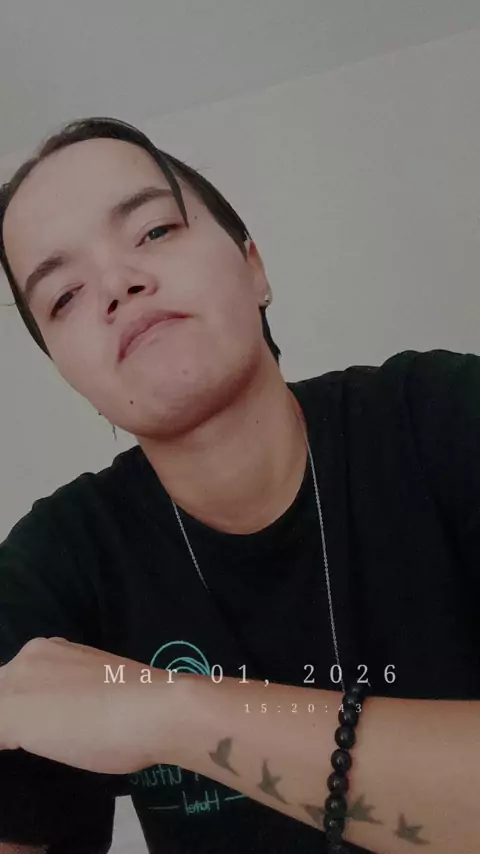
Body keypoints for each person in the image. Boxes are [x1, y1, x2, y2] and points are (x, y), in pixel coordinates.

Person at [0, 117, 479, 854]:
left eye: (154, 231)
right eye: (63, 296)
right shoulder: (56, 566)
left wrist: (171, 712)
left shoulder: (441, 416)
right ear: (69, 373)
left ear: (254, 266)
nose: (118, 285)